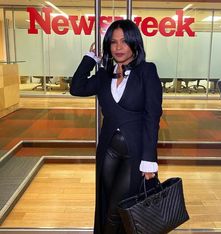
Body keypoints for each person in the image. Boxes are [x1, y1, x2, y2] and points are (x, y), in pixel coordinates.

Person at [70, 19, 162, 234]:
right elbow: (77, 87)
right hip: (108, 149)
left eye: (124, 42)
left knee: (116, 209)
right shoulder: (104, 76)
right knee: (106, 203)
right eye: (113, 42)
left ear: (135, 44)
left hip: (136, 152)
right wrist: (90, 59)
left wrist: (149, 159)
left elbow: (153, 115)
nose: (118, 47)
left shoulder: (147, 71)